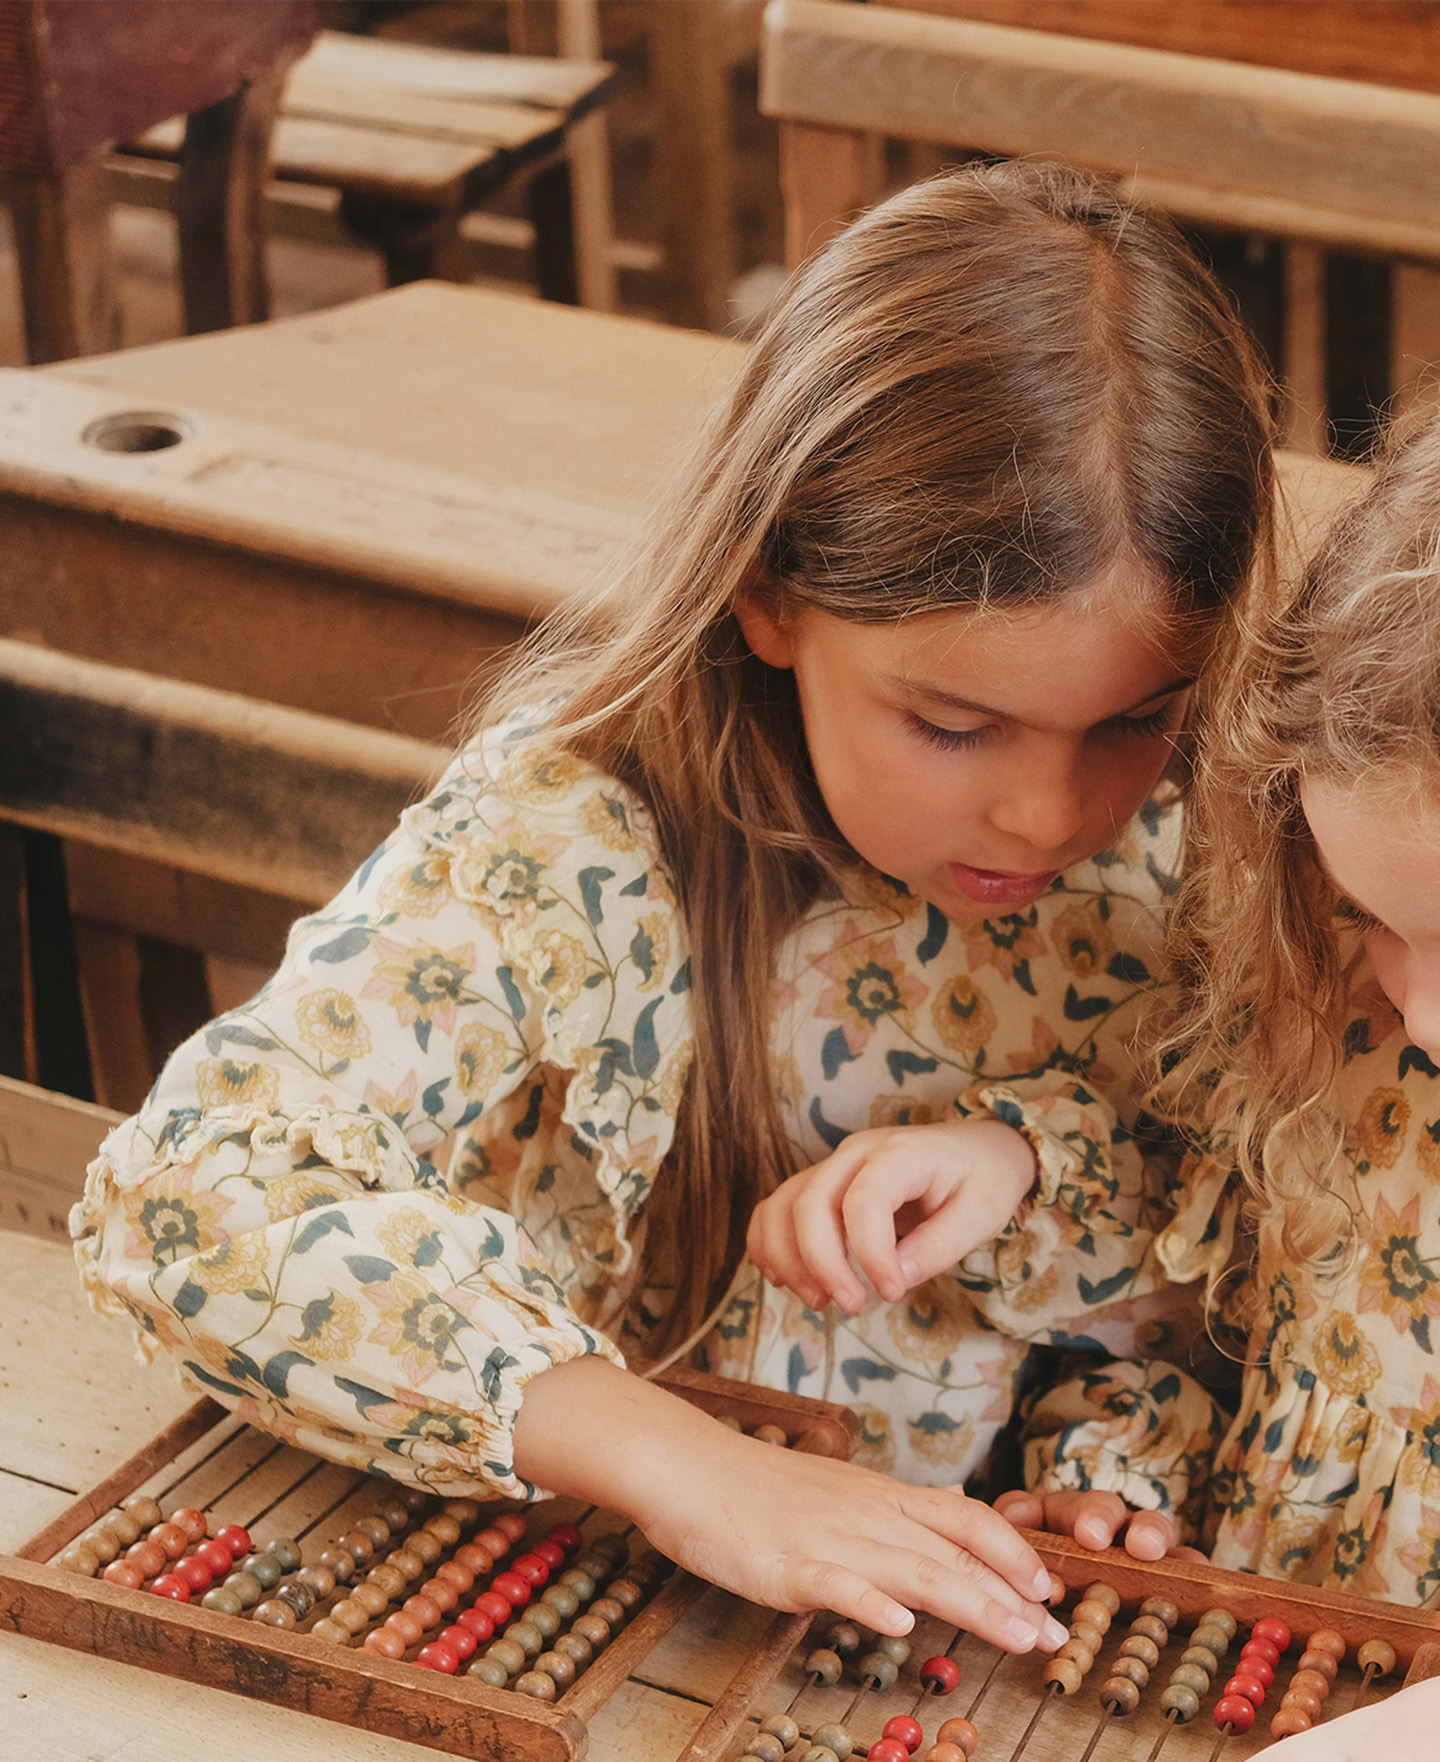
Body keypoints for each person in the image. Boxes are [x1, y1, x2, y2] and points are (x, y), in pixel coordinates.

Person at [74, 162, 1274, 1656]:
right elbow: (192, 1193)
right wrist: (686, 1467)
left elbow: (1180, 1293)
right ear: (769, 593)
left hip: (894, 1672)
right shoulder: (572, 848)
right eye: (955, 728)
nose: (1050, 815)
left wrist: (1104, 1469)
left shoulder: (1173, 874)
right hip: (555, 1600)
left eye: (1133, 723)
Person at [827, 408, 1440, 1762]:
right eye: (1378, 921)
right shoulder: (1351, 1039)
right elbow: (1239, 1344)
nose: (1423, 1009)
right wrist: (1129, 1470)